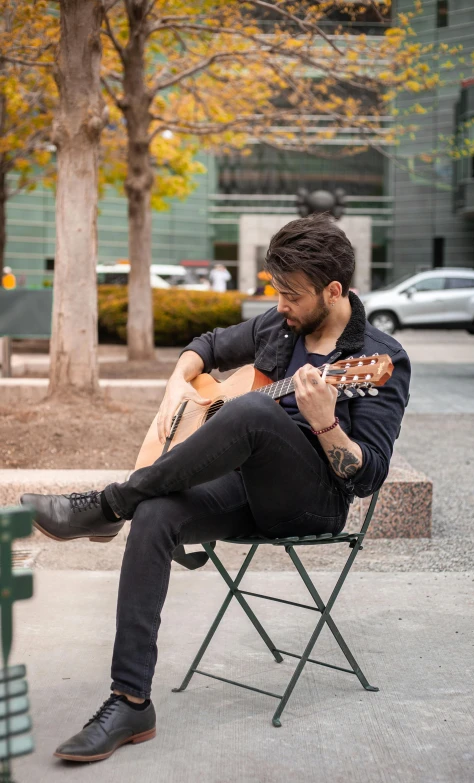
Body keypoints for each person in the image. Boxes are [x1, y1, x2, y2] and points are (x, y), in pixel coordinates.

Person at [21, 213, 411, 763]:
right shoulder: (279, 329)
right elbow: (206, 344)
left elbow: (367, 475)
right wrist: (182, 386)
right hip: (246, 489)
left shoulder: (380, 359)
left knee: (253, 411)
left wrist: (325, 422)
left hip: (312, 503)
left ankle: (109, 506)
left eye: (292, 295)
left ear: (334, 290)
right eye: (276, 291)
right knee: (156, 515)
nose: (280, 305)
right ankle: (130, 700)